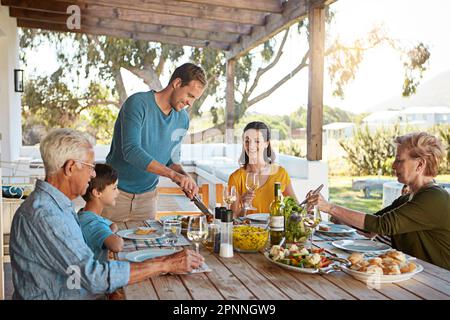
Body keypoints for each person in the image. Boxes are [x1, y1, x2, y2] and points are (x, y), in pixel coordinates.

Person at [9, 128, 204, 300]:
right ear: (70, 168)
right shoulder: (45, 215)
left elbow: (78, 270)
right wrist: (165, 263)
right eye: (90, 167)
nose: (93, 175)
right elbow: (94, 277)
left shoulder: (55, 206)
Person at [307, 132, 450, 270]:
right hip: (414, 275)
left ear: (420, 164)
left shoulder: (435, 197)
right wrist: (339, 217)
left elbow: (383, 225)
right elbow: (371, 228)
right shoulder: (407, 198)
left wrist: (330, 208)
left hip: (440, 281)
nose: (393, 166)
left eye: (399, 160)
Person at [103, 63, 207, 222]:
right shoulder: (138, 103)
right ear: (177, 83)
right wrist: (173, 176)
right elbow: (131, 151)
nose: (190, 104)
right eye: (190, 96)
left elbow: (171, 160)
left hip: (147, 200)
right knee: (106, 245)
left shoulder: (182, 119)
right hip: (114, 194)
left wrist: (185, 177)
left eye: (195, 99)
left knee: (148, 246)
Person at [228, 121, 297, 218]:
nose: (251, 145)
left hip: (275, 231)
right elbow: (233, 218)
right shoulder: (236, 178)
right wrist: (244, 207)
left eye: (257, 141)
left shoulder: (280, 173)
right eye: (247, 141)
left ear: (266, 143)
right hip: (248, 232)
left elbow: (295, 208)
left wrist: (308, 207)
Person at [78, 164, 123, 262]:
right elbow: (117, 245)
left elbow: (113, 225)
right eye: (114, 188)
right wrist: (116, 237)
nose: (118, 192)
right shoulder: (91, 222)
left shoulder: (85, 214)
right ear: (97, 193)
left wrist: (110, 232)